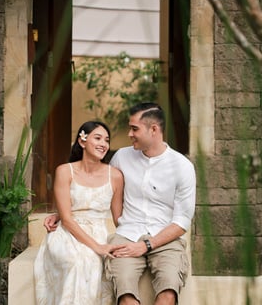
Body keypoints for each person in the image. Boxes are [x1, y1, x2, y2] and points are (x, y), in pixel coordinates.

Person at [45, 103, 196, 305]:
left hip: (165, 239)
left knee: (168, 293)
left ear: (153, 130)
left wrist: (147, 245)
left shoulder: (182, 166)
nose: (129, 134)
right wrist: (63, 212)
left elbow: (182, 220)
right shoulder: (122, 157)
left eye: (134, 129)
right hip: (126, 236)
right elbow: (100, 188)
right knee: (125, 294)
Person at [34, 121, 125, 305]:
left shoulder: (115, 175)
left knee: (95, 263)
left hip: (99, 232)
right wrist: (97, 247)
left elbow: (118, 219)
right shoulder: (64, 171)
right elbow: (67, 219)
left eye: (106, 140)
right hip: (67, 233)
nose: (103, 144)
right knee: (77, 261)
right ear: (82, 141)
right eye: (97, 138)